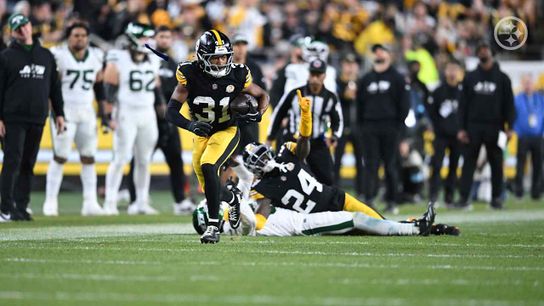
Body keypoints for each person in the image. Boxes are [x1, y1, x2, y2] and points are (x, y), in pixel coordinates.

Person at [166, 29, 269, 244]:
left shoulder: (238, 74)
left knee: (209, 165)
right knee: (210, 187)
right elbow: (171, 111)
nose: (221, 61)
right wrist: (190, 124)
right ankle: (232, 198)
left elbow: (262, 95)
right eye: (215, 57)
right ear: (203, 57)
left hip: (226, 129)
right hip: (202, 133)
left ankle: (213, 227)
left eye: (224, 56)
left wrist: (258, 113)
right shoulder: (190, 73)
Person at [246, 89, 379, 219]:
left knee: (382, 222)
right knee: (366, 228)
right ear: (253, 169)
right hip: (318, 220)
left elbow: (303, 146)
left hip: (335, 198)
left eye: (263, 156)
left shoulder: (286, 152)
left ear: (268, 151)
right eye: (257, 161)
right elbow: (260, 218)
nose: (263, 161)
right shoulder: (262, 187)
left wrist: (305, 117)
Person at [0, 14, 65, 222]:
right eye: (17, 28)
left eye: (24, 26)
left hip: (37, 117)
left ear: (30, 26)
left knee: (28, 163)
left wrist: (60, 114)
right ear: (12, 32)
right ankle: (5, 208)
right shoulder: (6, 57)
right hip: (12, 118)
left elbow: (54, 89)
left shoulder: (46, 55)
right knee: (12, 162)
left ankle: (22, 206)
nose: (22, 30)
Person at [126, 25, 195, 215]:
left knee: (176, 160)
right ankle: (135, 199)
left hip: (168, 121)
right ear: (155, 39)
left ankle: (180, 200)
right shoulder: (147, 58)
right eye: (161, 36)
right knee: (140, 159)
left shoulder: (172, 63)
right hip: (149, 117)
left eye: (168, 37)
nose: (165, 40)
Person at [42, 21, 106, 217]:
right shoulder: (58, 55)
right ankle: (50, 201)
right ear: (69, 37)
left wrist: (103, 113)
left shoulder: (96, 56)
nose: (80, 39)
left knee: (89, 157)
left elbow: (99, 87)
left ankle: (90, 202)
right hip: (66, 111)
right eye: (76, 35)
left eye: (83, 35)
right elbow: (51, 86)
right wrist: (55, 111)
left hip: (86, 111)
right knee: (60, 156)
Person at [101, 22, 162, 216]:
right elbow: (109, 90)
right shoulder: (118, 57)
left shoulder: (153, 59)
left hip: (147, 113)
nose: (149, 42)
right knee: (120, 158)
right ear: (133, 38)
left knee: (144, 160)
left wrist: (162, 110)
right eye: (145, 38)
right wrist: (107, 116)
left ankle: (141, 202)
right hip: (126, 112)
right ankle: (109, 202)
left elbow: (157, 86)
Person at [457, 42, 515, 210]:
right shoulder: (470, 77)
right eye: (480, 50)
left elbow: (509, 105)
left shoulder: (503, 78)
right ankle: (463, 198)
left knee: (496, 163)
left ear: (492, 53)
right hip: (473, 126)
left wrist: (509, 126)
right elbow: (463, 105)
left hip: (495, 126)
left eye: (485, 50)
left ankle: (496, 198)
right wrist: (461, 128)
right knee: (469, 163)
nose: (482, 52)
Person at [267, 59, 343, 186]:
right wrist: (270, 137)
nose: (315, 77)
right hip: (293, 142)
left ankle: (328, 205)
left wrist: (334, 136)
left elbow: (338, 119)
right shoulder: (295, 93)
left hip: (317, 142)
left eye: (318, 74)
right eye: (312, 73)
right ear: (308, 74)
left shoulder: (330, 97)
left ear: (324, 75)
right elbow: (278, 114)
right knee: (283, 177)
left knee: (327, 180)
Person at [356, 44, 410, 214]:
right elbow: (359, 105)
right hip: (370, 126)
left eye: (382, 50)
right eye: (375, 51)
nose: (378, 53)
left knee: (390, 165)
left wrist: (400, 131)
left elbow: (404, 105)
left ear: (389, 55)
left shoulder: (398, 78)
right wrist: (361, 127)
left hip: (390, 126)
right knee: (370, 164)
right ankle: (369, 199)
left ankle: (392, 200)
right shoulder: (366, 79)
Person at [427, 59, 463, 206]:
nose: (452, 72)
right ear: (445, 71)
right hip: (441, 135)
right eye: (450, 69)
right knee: (436, 165)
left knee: (454, 167)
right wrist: (437, 128)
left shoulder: (463, 91)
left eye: (455, 69)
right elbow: (431, 112)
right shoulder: (438, 91)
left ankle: (449, 197)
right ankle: (433, 195)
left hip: (458, 136)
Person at [334, 53, 363, 192]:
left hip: (358, 126)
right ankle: (335, 189)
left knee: (361, 159)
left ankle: (362, 190)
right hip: (342, 125)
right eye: (347, 64)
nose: (350, 68)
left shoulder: (362, 83)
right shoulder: (337, 83)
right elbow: (338, 100)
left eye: (352, 64)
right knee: (337, 159)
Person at [513, 73, 544, 200]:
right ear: (522, 84)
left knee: (538, 165)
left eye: (529, 82)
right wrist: (517, 131)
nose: (528, 85)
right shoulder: (517, 99)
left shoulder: (540, 98)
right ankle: (519, 192)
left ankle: (536, 192)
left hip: (538, 137)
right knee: (520, 165)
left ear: (534, 83)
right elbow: (513, 116)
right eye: (525, 83)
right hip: (523, 136)